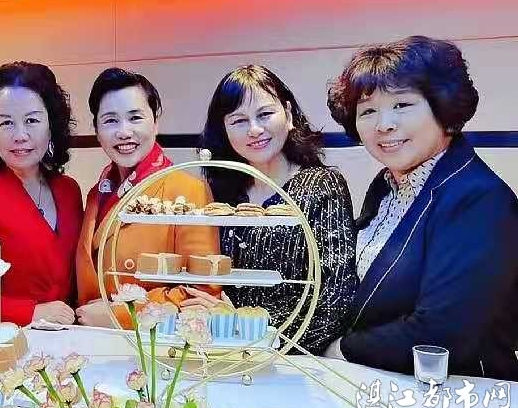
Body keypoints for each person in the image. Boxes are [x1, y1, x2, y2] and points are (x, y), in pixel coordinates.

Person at [324, 35, 518, 380]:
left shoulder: (478, 199)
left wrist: (341, 349)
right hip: (385, 386)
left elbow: (443, 332)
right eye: (368, 111)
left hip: (463, 395)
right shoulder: (386, 186)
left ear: (443, 109)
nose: (384, 124)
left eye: (402, 105)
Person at [196, 65, 357, 354]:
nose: (255, 130)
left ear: (288, 114)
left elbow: (335, 298)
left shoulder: (322, 186)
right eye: (239, 120)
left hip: (292, 360)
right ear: (224, 129)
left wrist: (242, 327)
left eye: (265, 114)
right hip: (222, 353)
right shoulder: (221, 193)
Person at [75, 67, 220, 327]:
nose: (124, 132)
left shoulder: (188, 190)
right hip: (91, 337)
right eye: (110, 120)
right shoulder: (97, 193)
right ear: (96, 130)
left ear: (155, 122)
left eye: (135, 118)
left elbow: (202, 290)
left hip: (150, 341)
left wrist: (118, 315)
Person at [0, 61, 83, 326]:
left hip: (70, 337)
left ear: (51, 125)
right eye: (6, 122)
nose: (20, 135)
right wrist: (30, 312)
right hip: (8, 339)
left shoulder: (69, 190)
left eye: (32, 120)